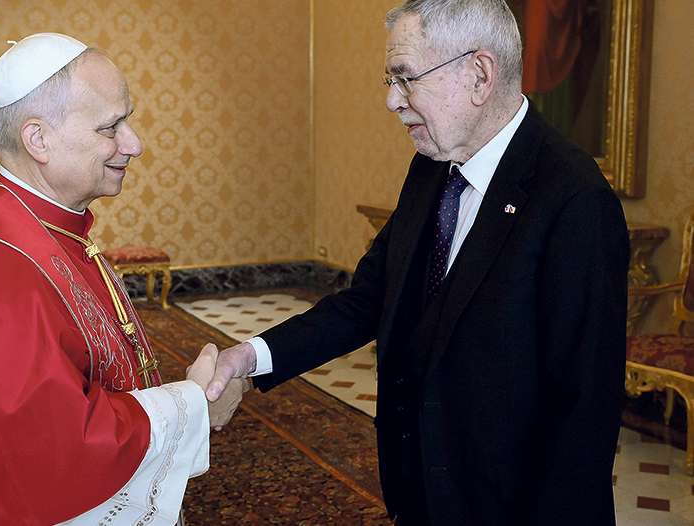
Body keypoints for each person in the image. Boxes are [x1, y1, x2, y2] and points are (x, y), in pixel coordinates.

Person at [206, 1, 629, 524]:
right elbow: (367, 300)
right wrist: (250, 358)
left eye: (405, 79)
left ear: (479, 75)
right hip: (419, 493)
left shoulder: (574, 200)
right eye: (390, 79)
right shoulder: (432, 167)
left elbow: (582, 415)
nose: (391, 100)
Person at [0, 33, 248, 526]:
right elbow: (57, 449)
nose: (134, 145)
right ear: (38, 140)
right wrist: (194, 405)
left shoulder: (36, 220)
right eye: (111, 127)